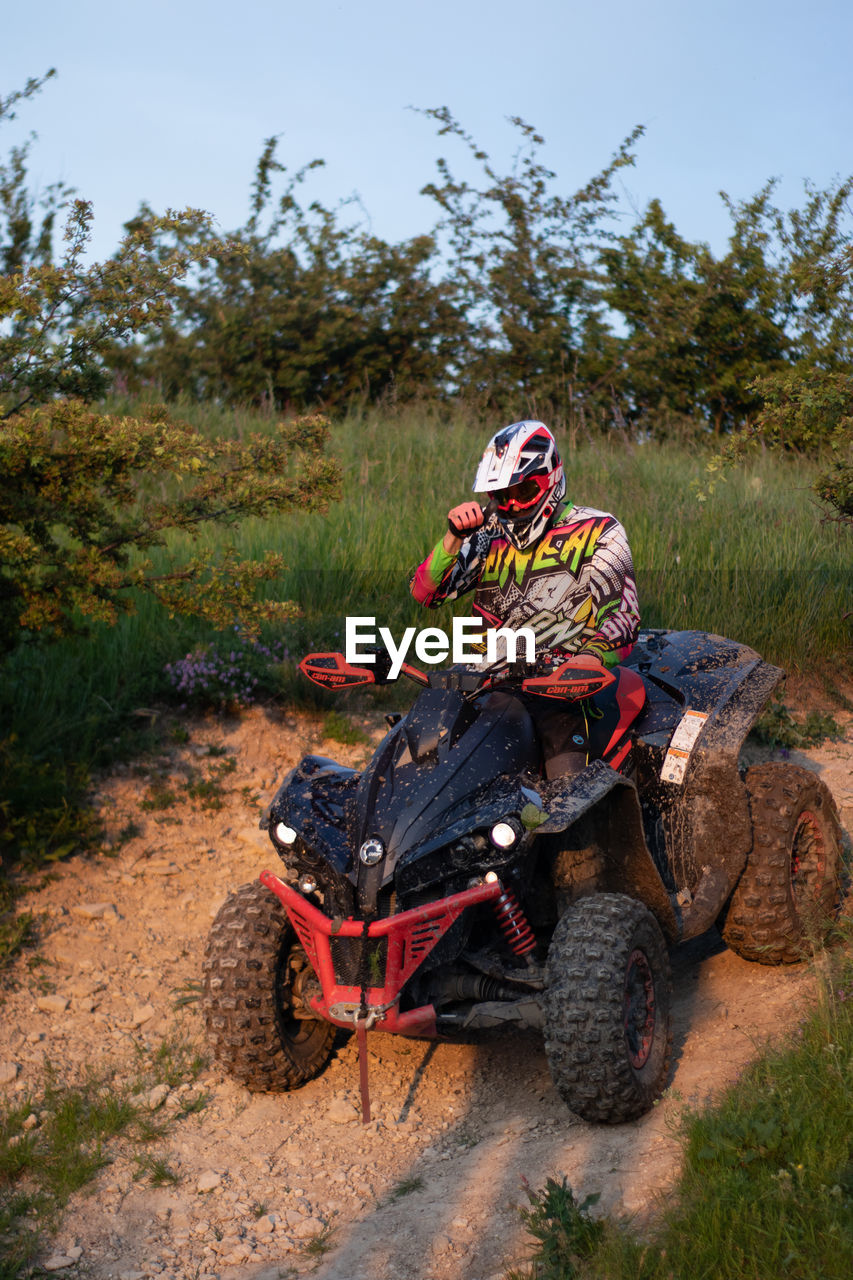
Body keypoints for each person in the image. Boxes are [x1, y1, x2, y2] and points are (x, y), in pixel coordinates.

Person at [410, 420, 640, 778]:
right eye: (502, 496)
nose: (513, 505)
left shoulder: (599, 530)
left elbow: (622, 617)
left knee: (565, 791)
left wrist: (590, 658)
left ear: (552, 478)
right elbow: (426, 592)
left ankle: (573, 833)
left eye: (524, 491)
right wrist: (453, 538)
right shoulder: (488, 531)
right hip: (483, 683)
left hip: (560, 690)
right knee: (417, 746)